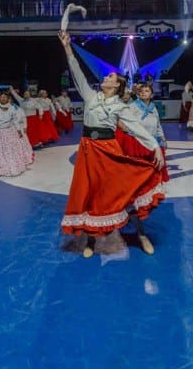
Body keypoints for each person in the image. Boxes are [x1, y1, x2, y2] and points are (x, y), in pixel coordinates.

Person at [58, 30, 165, 258]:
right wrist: (68, 48)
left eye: (109, 78)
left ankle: (141, 234)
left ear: (116, 86)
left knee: (125, 190)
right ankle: (90, 240)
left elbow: (136, 127)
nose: (105, 78)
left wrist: (155, 146)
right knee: (89, 193)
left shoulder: (121, 106)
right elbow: (77, 72)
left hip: (109, 151)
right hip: (88, 151)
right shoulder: (90, 96)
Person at [117, 83, 169, 182]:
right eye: (141, 91)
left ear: (151, 95)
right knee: (139, 167)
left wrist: (162, 137)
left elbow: (157, 123)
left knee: (154, 164)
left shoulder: (153, 107)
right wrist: (128, 131)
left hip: (153, 138)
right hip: (138, 141)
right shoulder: (132, 106)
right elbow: (122, 120)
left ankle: (153, 181)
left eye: (147, 91)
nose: (143, 93)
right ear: (138, 94)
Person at [0, 91, 34, 177]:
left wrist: (19, 130)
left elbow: (15, 120)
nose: (3, 98)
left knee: (11, 150)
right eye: (1, 97)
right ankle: (0, 168)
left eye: (5, 97)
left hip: (9, 132)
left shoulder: (12, 108)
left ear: (8, 98)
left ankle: (12, 167)